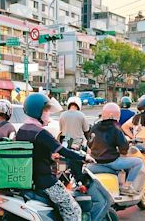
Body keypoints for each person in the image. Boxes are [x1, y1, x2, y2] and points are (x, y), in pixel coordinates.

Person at [16, 93, 96, 221]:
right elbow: (63, 150)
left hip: (30, 180)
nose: (48, 113)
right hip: (46, 181)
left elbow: (33, 152)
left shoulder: (22, 130)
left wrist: (50, 157)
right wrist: (84, 157)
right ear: (37, 111)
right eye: (46, 110)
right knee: (74, 210)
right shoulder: (41, 133)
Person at [88, 102, 144, 195]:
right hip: (111, 162)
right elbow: (124, 147)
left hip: (96, 161)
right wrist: (124, 150)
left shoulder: (95, 127)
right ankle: (126, 187)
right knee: (138, 162)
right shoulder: (115, 127)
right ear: (113, 115)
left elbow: (90, 144)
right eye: (118, 115)